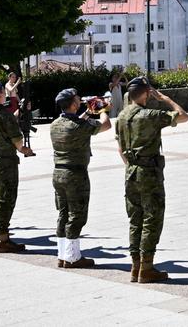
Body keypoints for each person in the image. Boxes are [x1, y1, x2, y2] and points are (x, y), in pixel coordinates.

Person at [116, 76, 188, 283]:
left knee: (135, 219)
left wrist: (132, 165)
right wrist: (165, 98)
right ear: (147, 93)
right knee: (152, 218)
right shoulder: (150, 115)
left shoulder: (121, 116)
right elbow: (183, 116)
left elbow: (120, 148)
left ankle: (135, 266)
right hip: (149, 173)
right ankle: (146, 268)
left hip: (130, 172)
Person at [52, 89, 112, 268]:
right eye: (78, 100)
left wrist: (87, 112)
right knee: (76, 215)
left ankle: (62, 254)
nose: (80, 101)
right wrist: (102, 110)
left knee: (63, 213)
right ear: (73, 104)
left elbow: (75, 123)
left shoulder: (55, 124)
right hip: (75, 174)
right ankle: (73, 257)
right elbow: (106, 125)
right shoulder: (79, 126)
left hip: (58, 173)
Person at [0, 80, 36, 252]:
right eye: (3, 91)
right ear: (0, 95)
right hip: (5, 161)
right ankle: (3, 239)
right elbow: (17, 141)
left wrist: (20, 110)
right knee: (6, 199)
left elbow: (4, 123)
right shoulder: (5, 115)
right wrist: (26, 150)